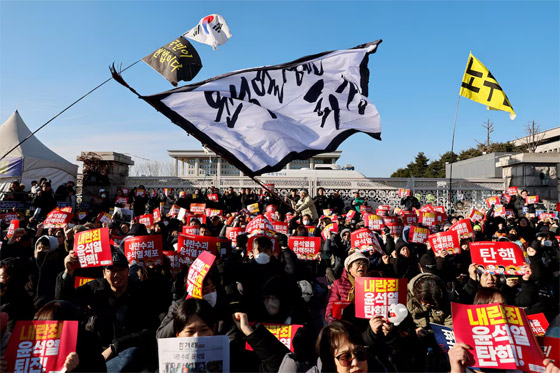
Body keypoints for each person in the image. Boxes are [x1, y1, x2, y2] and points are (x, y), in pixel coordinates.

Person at [55, 249, 160, 372]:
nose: (117, 274)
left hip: (127, 352)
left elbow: (149, 331)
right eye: (112, 270)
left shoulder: (140, 293)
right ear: (104, 273)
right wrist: (68, 272)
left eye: (121, 269)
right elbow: (63, 302)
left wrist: (115, 346)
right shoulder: (96, 288)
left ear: (127, 271)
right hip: (96, 353)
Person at [325, 251, 368, 323]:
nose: (362, 266)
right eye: (358, 263)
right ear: (349, 267)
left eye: (365, 264)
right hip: (345, 323)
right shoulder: (338, 284)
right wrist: (332, 317)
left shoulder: (371, 284)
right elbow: (331, 305)